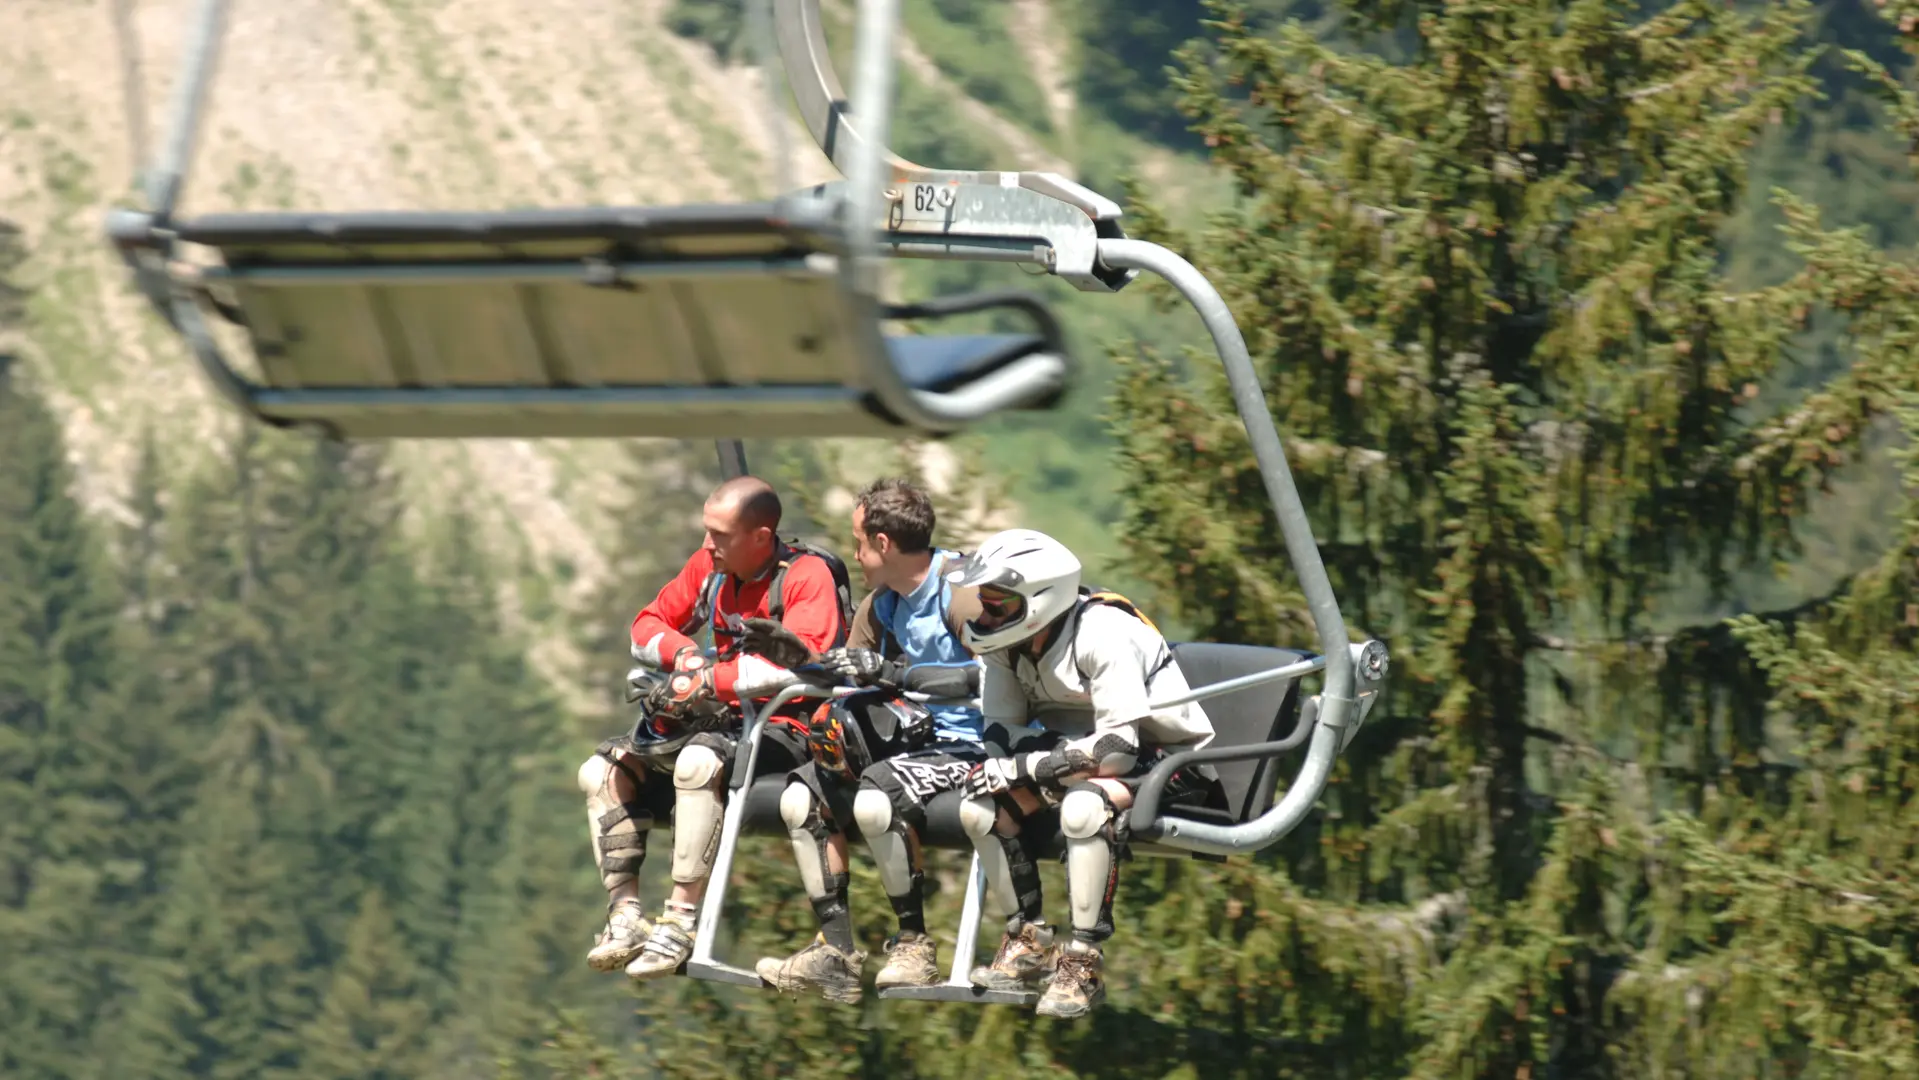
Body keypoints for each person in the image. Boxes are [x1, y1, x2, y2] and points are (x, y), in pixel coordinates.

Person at [944, 527, 1227, 1019]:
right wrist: (1023, 765)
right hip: (1077, 757)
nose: (984, 615)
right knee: (981, 808)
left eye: (998, 604)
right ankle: (1027, 937)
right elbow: (998, 736)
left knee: (1083, 807)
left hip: (1172, 761)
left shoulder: (1104, 632)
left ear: (1040, 600)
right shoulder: (1006, 647)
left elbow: (1118, 749)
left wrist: (1027, 765)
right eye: (984, 601)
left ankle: (1083, 962)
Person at [577, 475, 849, 981]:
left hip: (788, 725)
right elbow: (647, 624)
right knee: (601, 771)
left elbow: (801, 666)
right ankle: (626, 915)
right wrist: (682, 653)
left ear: (761, 538)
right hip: (725, 719)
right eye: (707, 532)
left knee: (697, 762)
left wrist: (708, 678)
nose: (707, 545)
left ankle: (679, 923)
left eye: (720, 535)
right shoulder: (711, 568)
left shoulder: (808, 577)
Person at [748, 477, 995, 1004]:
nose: (855, 554)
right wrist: (801, 659)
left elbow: (998, 680)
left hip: (972, 746)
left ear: (884, 544)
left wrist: (892, 675)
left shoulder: (964, 593)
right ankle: (834, 953)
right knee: (799, 798)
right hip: (914, 741)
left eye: (859, 542)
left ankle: (913, 945)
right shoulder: (884, 605)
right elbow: (854, 673)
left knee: (877, 797)